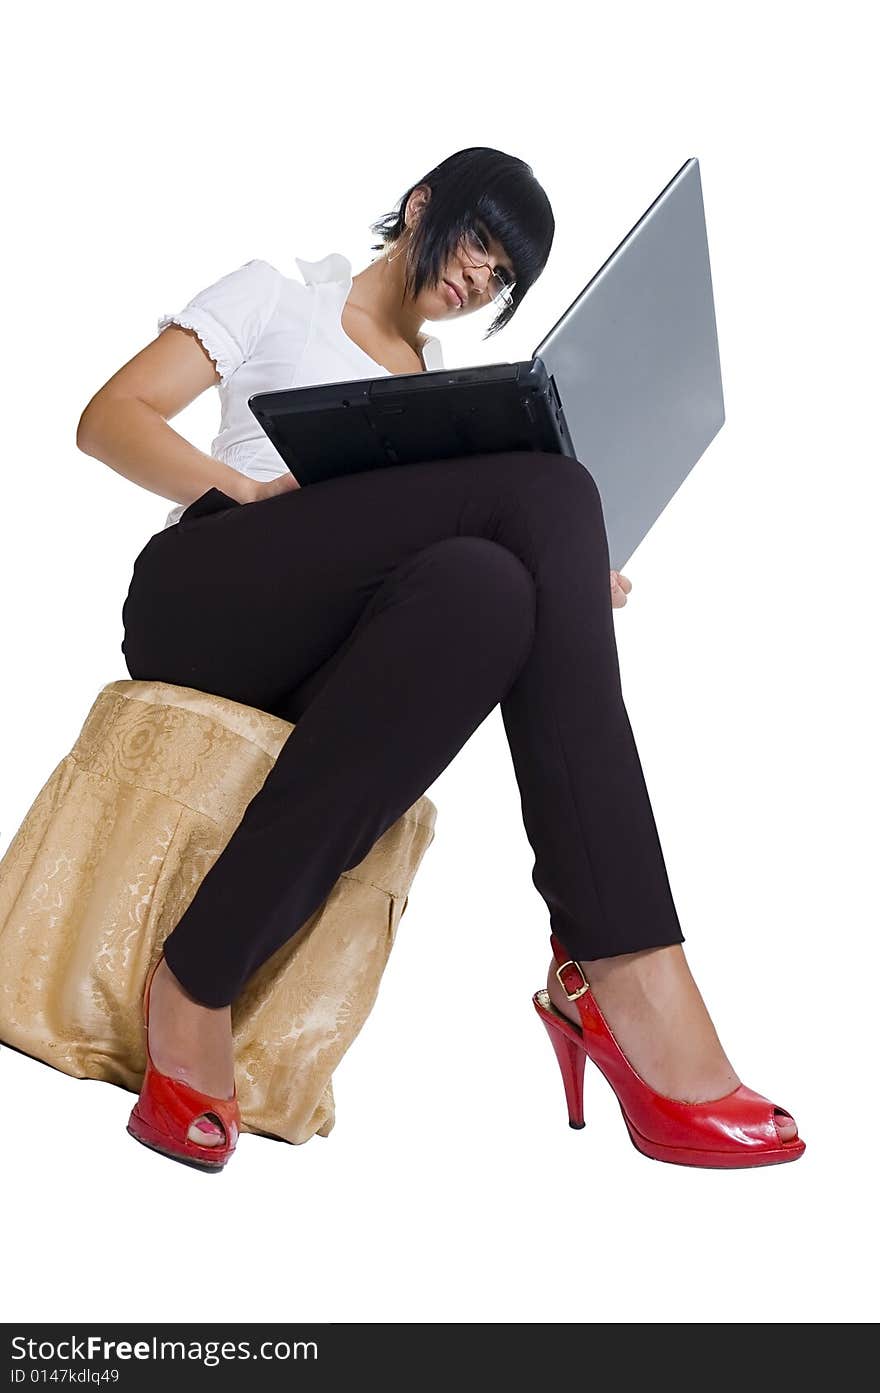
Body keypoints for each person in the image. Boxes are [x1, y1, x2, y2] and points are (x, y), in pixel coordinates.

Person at [76, 146, 804, 1173]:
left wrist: (563, 578)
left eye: (502, 276)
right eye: (476, 242)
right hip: (210, 586)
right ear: (421, 205)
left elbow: (451, 564)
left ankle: (199, 973)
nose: (478, 279)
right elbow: (107, 420)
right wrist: (246, 492)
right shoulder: (278, 296)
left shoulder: (445, 405)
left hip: (334, 647)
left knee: (492, 589)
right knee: (547, 495)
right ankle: (620, 959)